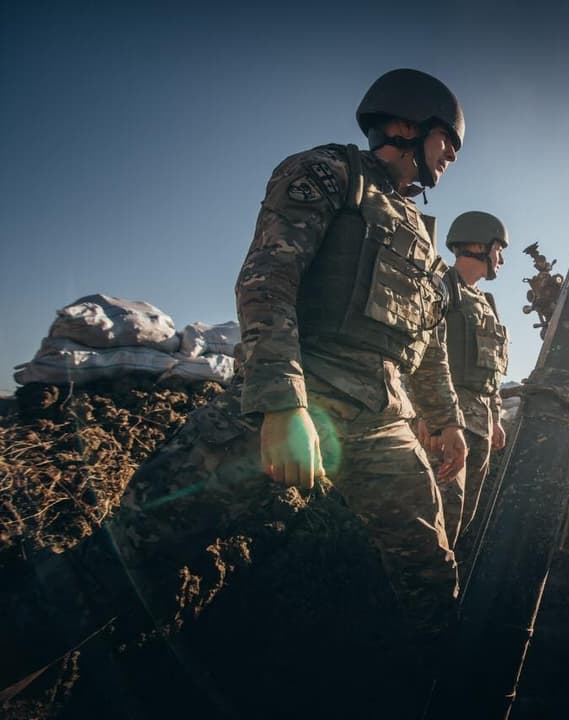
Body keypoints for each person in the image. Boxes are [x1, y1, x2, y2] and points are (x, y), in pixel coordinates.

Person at [2, 68, 470, 716]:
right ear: (408, 123)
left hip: (384, 420)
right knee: (138, 540)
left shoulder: (421, 236)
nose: (452, 155)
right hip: (298, 391)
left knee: (431, 578)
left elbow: (431, 347)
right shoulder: (328, 172)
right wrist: (284, 403)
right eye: (449, 138)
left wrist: (448, 422)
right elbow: (266, 281)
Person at [417, 211, 509, 580]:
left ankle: (436, 592)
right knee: (438, 515)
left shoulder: (487, 303)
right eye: (498, 248)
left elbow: (493, 372)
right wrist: (429, 413)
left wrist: (497, 418)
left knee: (461, 519)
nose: (501, 258)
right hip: (447, 421)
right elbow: (420, 349)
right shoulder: (442, 286)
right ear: (478, 245)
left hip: (480, 425)